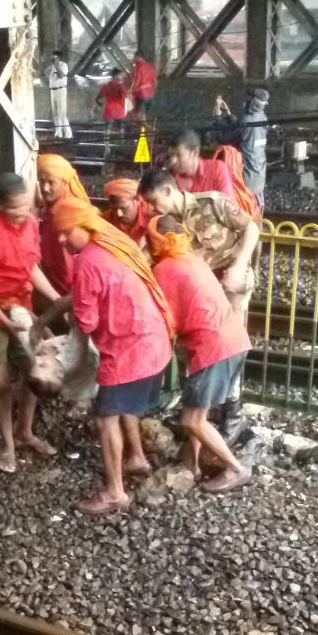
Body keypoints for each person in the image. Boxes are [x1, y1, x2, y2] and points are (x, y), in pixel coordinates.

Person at [51, 196, 173, 515]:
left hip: (129, 351)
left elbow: (88, 321)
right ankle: (137, 458)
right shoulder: (113, 241)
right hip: (155, 341)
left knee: (106, 418)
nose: (62, 239)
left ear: (83, 225)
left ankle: (115, 492)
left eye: (66, 232)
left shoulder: (87, 262)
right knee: (123, 408)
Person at [139, 168, 260, 442]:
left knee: (225, 349)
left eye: (154, 201)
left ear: (168, 190)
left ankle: (232, 415)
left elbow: (250, 228)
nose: (151, 208)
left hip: (230, 285)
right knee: (193, 354)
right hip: (200, 295)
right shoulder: (165, 224)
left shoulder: (211, 202)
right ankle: (198, 412)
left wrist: (239, 265)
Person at [0, 172, 63, 474]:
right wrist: (3, 321)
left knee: (34, 369)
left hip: (22, 307)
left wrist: (57, 299)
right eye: (13, 208)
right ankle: (7, 445)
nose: (21, 212)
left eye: (24, 206)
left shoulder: (31, 224)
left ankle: (25, 432)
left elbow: (31, 267)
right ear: (0, 205)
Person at [147, 215, 252, 493]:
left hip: (213, 346)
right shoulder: (193, 260)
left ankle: (235, 468)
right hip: (234, 340)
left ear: (155, 243)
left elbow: (163, 320)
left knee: (191, 419)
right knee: (197, 411)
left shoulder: (164, 270)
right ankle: (192, 464)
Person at [36, 153, 90, 296]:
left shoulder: (71, 211)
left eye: (51, 183)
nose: (45, 188)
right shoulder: (50, 206)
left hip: (69, 290)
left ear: (65, 183)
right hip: (55, 286)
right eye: (42, 181)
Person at [214, 88, 270, 209]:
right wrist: (228, 115)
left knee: (240, 212)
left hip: (246, 179)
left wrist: (217, 116)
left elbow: (223, 138)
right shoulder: (263, 118)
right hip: (259, 177)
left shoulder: (247, 120)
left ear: (252, 102)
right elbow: (243, 130)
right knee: (256, 215)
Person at [167, 129, 236, 199]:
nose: (173, 161)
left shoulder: (216, 169)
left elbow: (228, 203)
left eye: (178, 155)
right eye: (171, 156)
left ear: (194, 153)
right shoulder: (170, 179)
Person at [102, 178, 152, 248]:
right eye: (114, 209)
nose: (119, 214)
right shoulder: (105, 221)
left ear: (138, 200)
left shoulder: (152, 221)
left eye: (123, 208)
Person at [46, 51, 72, 140]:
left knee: (62, 113)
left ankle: (68, 134)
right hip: (52, 91)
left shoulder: (63, 65)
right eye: (52, 57)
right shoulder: (51, 67)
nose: (53, 59)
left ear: (59, 58)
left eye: (55, 57)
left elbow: (61, 75)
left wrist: (57, 65)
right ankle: (58, 133)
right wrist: (52, 65)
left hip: (61, 90)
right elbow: (46, 73)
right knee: (55, 113)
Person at [128, 52, 157, 122]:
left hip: (141, 94)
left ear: (138, 57)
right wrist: (153, 92)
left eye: (134, 57)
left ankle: (140, 126)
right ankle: (144, 127)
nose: (133, 59)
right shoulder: (150, 67)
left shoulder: (138, 66)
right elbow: (155, 81)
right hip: (150, 95)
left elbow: (136, 80)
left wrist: (131, 91)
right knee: (143, 114)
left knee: (138, 115)